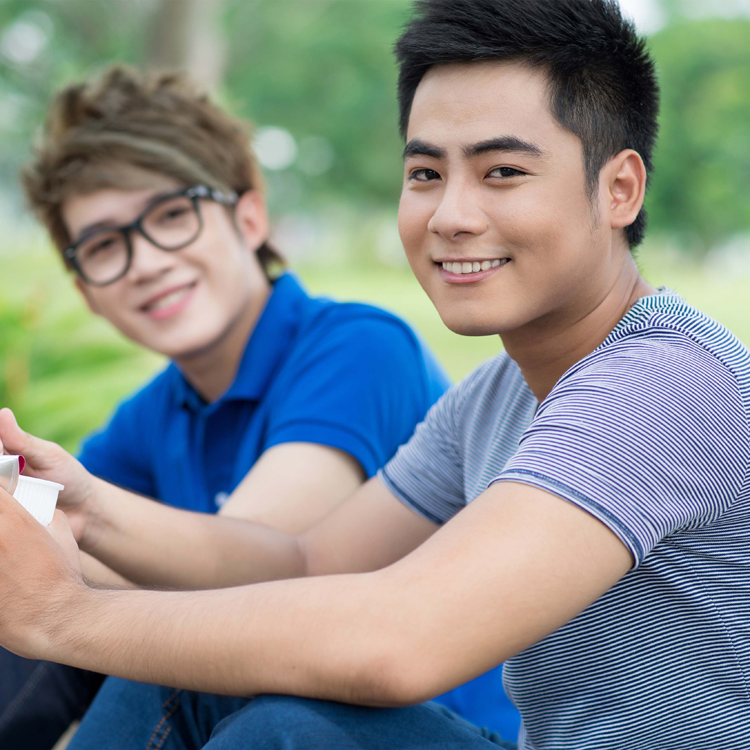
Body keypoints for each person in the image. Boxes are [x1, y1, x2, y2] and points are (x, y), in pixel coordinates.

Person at [0, 0, 748, 748]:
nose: (450, 215)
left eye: (503, 171)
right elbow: (303, 561)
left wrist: (65, 617)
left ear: (619, 189)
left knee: (284, 731)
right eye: (426, 172)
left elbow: (403, 640)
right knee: (207, 684)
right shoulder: (492, 397)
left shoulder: (667, 381)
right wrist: (87, 509)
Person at [0, 65, 458, 749]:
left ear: (249, 216)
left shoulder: (360, 347)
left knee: (179, 650)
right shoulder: (153, 416)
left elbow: (265, 568)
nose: (146, 261)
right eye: (103, 245)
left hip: (406, 723)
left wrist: (63, 533)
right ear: (84, 288)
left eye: (172, 216)